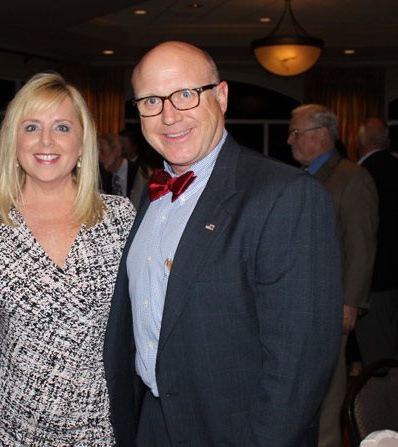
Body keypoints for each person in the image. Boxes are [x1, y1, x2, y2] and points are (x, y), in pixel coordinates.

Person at [103, 41, 343, 446]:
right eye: (151, 101)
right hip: (154, 425)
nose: (169, 115)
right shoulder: (150, 196)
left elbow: (299, 368)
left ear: (222, 96)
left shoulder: (284, 195)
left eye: (185, 94)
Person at [0, 72, 135, 446]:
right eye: (32, 126)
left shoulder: (121, 218)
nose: (46, 141)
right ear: (13, 141)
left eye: (62, 127)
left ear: (83, 144)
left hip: (99, 425)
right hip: (6, 424)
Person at [288, 104, 378, 447]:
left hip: (331, 304)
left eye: (296, 133)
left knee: (328, 389)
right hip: (298, 303)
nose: (289, 140)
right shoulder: (301, 177)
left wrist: (350, 301)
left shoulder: (352, 177)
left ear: (321, 135)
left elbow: (361, 244)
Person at [356, 117, 398, 365]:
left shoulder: (359, 175)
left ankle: (381, 403)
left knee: (378, 356)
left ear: (360, 141)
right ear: (387, 139)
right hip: (392, 275)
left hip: (374, 279)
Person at [98, 132, 148, 206]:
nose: (99, 157)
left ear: (116, 151)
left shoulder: (139, 172)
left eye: (102, 151)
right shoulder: (102, 176)